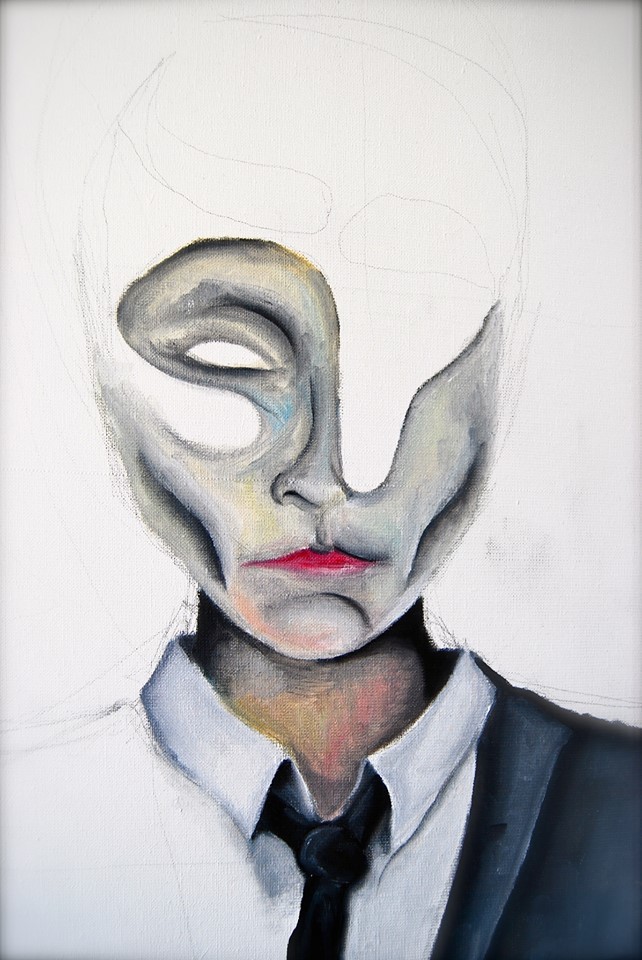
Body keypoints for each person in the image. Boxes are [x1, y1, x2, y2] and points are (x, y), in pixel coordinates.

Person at [3, 7, 640, 960]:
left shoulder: (623, 824)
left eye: (411, 331)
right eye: (226, 352)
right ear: (96, 369)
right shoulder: (28, 835)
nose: (325, 472)